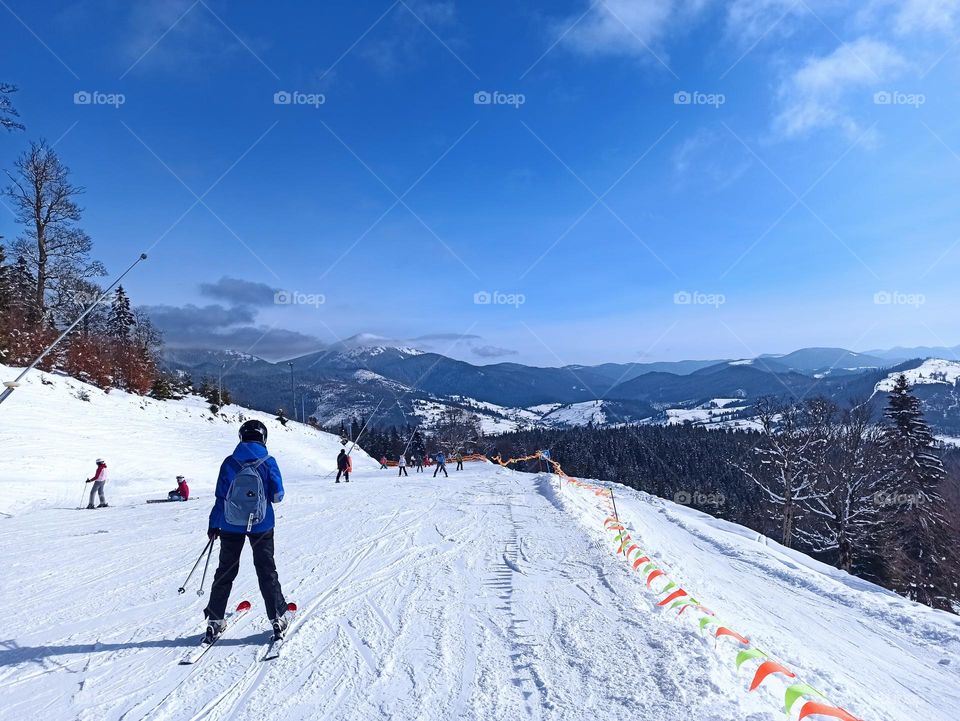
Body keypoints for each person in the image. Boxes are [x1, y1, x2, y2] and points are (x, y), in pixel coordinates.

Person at [205, 420, 291, 642]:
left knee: (225, 569)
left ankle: (214, 620)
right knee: (266, 569)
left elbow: (220, 497)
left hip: (230, 524)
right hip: (261, 524)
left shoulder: (229, 462)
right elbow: (277, 496)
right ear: (263, 438)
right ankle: (278, 617)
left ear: (241, 437)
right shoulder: (268, 461)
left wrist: (214, 524)